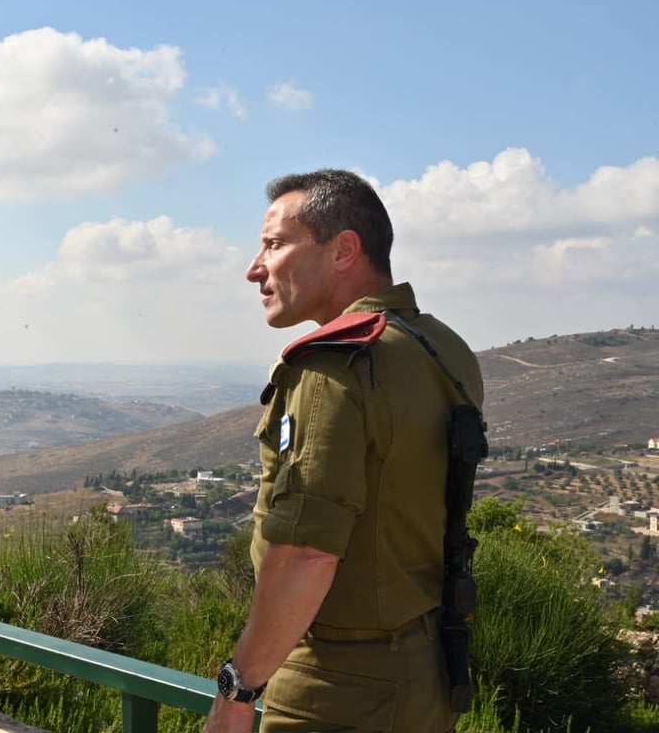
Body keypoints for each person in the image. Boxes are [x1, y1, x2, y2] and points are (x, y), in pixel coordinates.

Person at [203, 169, 484, 733]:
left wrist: (238, 692)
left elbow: (307, 553)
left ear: (343, 250)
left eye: (274, 244)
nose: (255, 268)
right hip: (428, 670)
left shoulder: (337, 367)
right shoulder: (443, 350)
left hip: (337, 689)